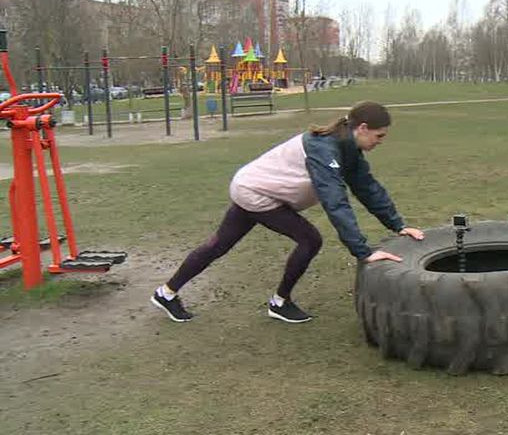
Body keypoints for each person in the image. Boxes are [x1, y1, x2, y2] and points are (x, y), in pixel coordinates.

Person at [151, 101, 425, 323]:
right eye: (379, 136)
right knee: (310, 240)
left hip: (254, 187)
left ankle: (166, 293)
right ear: (363, 128)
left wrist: (397, 225)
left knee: (218, 245)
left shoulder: (347, 148)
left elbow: (367, 187)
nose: (381, 141)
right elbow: (335, 201)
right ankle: (280, 302)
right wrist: (362, 251)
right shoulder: (324, 148)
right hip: (256, 193)